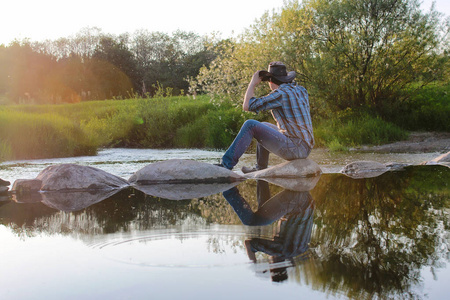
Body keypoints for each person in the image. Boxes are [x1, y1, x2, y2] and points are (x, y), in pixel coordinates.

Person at [216, 61, 314, 173]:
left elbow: (247, 106)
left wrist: (253, 83)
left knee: (250, 125)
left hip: (295, 148)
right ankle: (260, 168)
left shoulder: (280, 94)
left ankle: (226, 165)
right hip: (305, 147)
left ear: (271, 81)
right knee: (262, 126)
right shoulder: (301, 90)